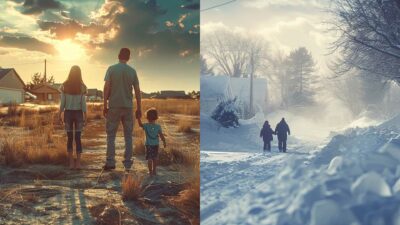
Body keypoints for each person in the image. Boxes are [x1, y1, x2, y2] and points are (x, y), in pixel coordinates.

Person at [103, 48, 142, 172]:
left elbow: (106, 87)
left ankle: (110, 162)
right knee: (128, 136)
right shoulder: (132, 71)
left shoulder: (111, 69)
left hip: (114, 105)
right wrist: (139, 108)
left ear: (118, 56)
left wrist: (105, 104)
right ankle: (127, 163)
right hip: (128, 107)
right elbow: (137, 91)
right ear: (128, 58)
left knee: (111, 135)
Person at [59, 65, 87, 169]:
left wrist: (59, 114)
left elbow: (62, 103)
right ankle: (78, 163)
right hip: (79, 113)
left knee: (70, 138)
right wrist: (86, 116)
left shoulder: (64, 86)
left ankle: (71, 163)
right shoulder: (83, 87)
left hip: (68, 114)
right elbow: (83, 104)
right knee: (78, 138)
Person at [137, 108, 166, 176]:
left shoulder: (146, 125)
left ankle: (150, 172)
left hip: (148, 145)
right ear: (156, 117)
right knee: (155, 158)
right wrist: (164, 141)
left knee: (149, 159)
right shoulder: (158, 126)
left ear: (147, 117)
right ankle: (154, 171)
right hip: (156, 145)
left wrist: (138, 118)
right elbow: (161, 135)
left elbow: (140, 125)